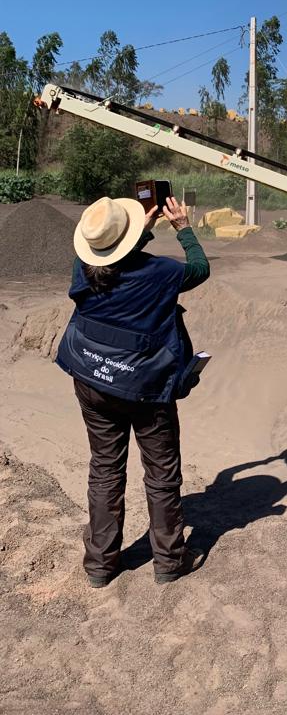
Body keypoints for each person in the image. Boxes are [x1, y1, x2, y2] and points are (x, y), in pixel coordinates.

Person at [56, 194, 210, 588]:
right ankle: (169, 560)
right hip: (144, 386)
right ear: (129, 237)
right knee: (160, 474)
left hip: (91, 376)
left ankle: (100, 564)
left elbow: (112, 258)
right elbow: (199, 268)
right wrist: (183, 228)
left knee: (105, 469)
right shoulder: (160, 273)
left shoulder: (82, 267)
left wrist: (139, 232)